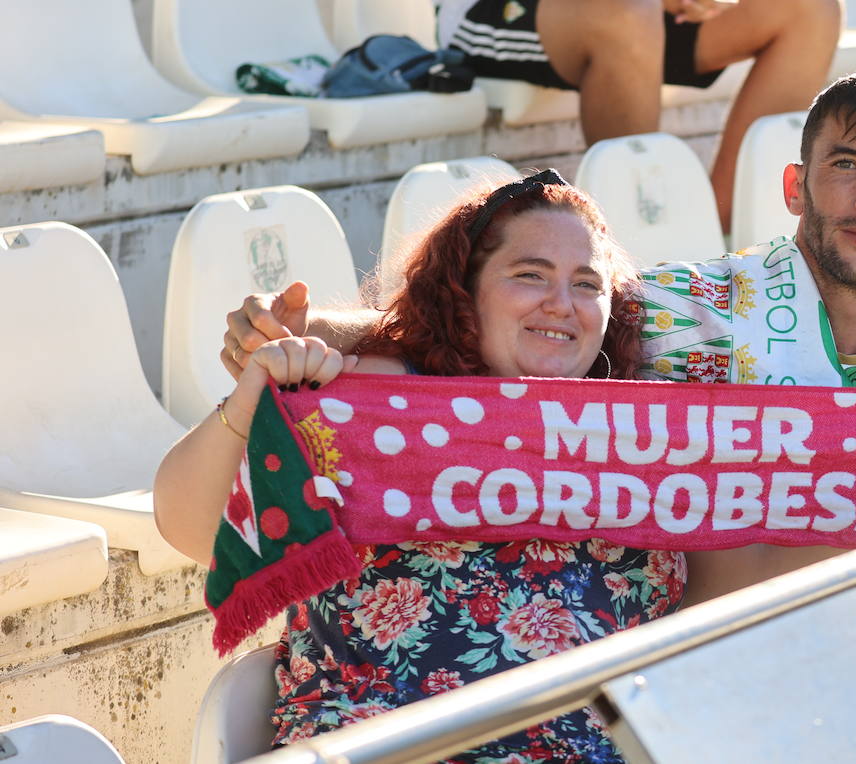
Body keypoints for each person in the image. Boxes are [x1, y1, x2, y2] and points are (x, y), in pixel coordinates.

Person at [221, 73, 856, 602]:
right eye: (845, 166)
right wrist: (301, 333)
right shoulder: (703, 308)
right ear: (794, 186)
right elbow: (521, 318)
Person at [158, 176, 684, 759]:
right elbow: (189, 524)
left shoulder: (651, 437)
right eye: (530, 274)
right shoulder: (358, 400)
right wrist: (256, 393)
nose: (562, 302)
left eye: (587, 284)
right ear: (466, 292)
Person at [426, 0, 843, 231]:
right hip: (488, 6)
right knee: (630, 7)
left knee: (809, 3)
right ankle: (632, 242)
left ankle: (721, 226)